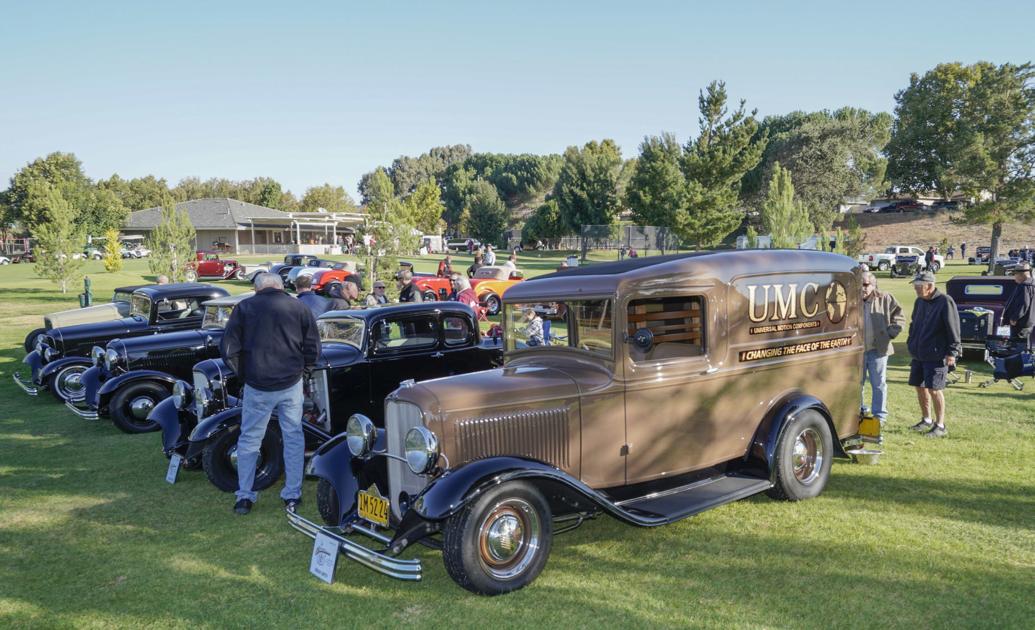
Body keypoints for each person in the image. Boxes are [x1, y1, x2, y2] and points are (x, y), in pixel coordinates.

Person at [221, 273, 321, 514]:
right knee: (293, 437)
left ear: (257, 289)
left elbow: (228, 348)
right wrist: (304, 372)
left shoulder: (244, 307)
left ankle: (244, 496)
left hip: (258, 385)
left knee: (249, 439)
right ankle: (292, 494)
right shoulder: (299, 307)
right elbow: (313, 346)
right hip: (291, 382)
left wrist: (245, 374)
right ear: (280, 286)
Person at [906, 271, 962, 438]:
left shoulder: (945, 301)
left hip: (936, 354)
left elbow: (953, 328)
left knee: (935, 389)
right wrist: (911, 341)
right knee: (920, 387)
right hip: (919, 353)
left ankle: (940, 425)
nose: (916, 289)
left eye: (918, 286)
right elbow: (914, 323)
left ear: (929, 286)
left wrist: (952, 352)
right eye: (915, 286)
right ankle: (927, 420)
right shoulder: (919, 301)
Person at [860, 272, 905, 424]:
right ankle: (858, 413)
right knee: (856, 385)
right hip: (857, 352)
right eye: (859, 284)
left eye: (865, 284)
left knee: (879, 384)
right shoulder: (851, 300)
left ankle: (879, 417)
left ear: (873, 285)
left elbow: (899, 317)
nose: (862, 288)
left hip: (878, 351)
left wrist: (889, 335)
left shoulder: (885, 298)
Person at [1003, 262, 1034, 343]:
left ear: (1021, 274)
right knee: (1024, 345)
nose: (1014, 277)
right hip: (1029, 322)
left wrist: (1014, 318)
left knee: (1016, 346)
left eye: (1015, 274)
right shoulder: (1032, 284)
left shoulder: (1024, 286)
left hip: (1020, 324)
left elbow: (1024, 304)